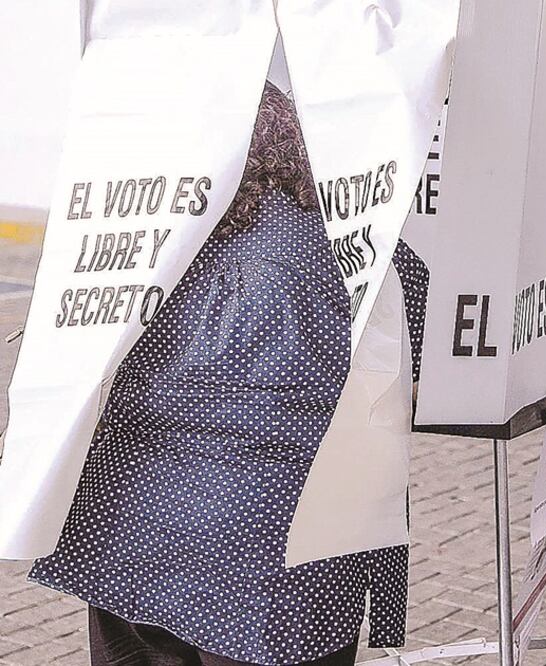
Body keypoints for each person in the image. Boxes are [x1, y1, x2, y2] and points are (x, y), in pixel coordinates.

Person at [28, 82, 429, 665]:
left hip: (130, 532)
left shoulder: (143, 245)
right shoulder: (363, 247)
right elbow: (423, 356)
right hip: (288, 548)